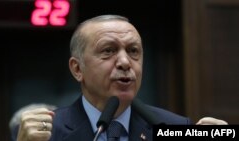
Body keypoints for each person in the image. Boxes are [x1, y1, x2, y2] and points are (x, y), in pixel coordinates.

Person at [16, 15, 227, 141]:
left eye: (133, 51)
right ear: (77, 69)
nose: (125, 62)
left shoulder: (176, 128)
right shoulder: (48, 133)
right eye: (108, 50)